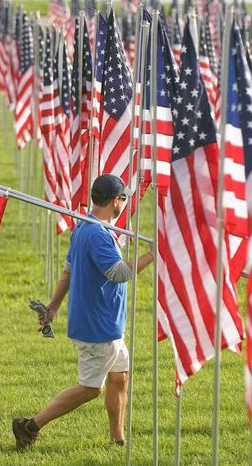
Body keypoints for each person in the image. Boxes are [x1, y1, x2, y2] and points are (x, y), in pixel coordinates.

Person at [13, 174, 153, 450]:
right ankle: (29, 426)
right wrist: (153, 255)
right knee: (89, 388)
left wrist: (53, 306)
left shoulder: (83, 227)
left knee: (119, 376)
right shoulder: (97, 235)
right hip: (97, 326)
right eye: (123, 199)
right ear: (116, 201)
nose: (124, 204)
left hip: (107, 324)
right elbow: (118, 273)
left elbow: (68, 270)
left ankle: (117, 439)